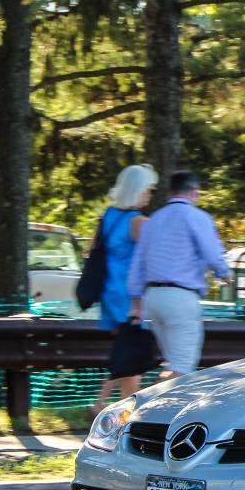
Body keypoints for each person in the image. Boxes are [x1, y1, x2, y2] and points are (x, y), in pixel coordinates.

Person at [127, 170, 232, 378]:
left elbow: (137, 264)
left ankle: (159, 403)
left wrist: (136, 305)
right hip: (181, 297)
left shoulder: (153, 220)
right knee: (183, 367)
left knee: (173, 363)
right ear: (194, 191)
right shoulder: (197, 217)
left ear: (170, 192)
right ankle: (162, 408)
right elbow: (213, 253)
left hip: (153, 298)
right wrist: (226, 274)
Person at [89, 163, 157, 416]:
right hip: (131, 295)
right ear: (138, 190)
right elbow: (154, 256)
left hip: (109, 291)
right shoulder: (138, 221)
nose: (149, 195)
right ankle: (101, 404)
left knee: (127, 354)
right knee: (130, 355)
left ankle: (123, 412)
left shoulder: (108, 215)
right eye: (148, 190)